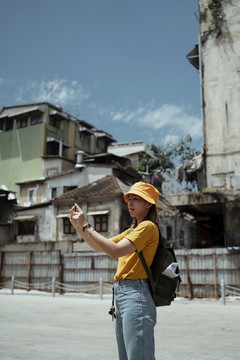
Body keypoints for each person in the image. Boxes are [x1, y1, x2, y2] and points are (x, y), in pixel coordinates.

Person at [69, 181, 160, 360]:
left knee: (138, 356)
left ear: (148, 203)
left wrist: (86, 225)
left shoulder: (148, 227)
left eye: (136, 199)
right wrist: (78, 227)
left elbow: (114, 251)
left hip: (136, 294)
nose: (130, 203)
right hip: (123, 295)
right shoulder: (132, 230)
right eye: (129, 199)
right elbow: (100, 246)